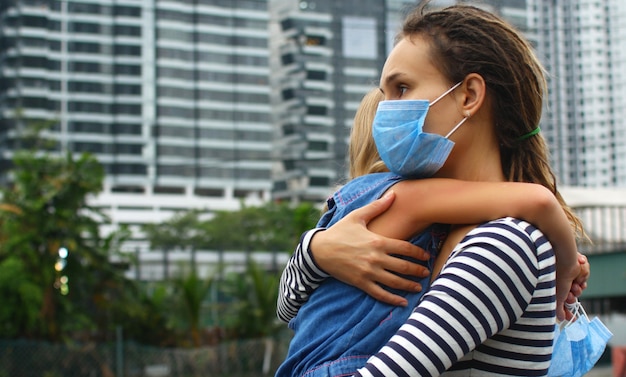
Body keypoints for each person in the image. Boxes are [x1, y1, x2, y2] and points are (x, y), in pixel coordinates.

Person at [277, 4, 590, 377]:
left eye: (402, 88)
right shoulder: (424, 221)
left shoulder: (504, 243)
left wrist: (567, 261)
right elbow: (289, 305)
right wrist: (317, 251)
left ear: (469, 95)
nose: (383, 111)